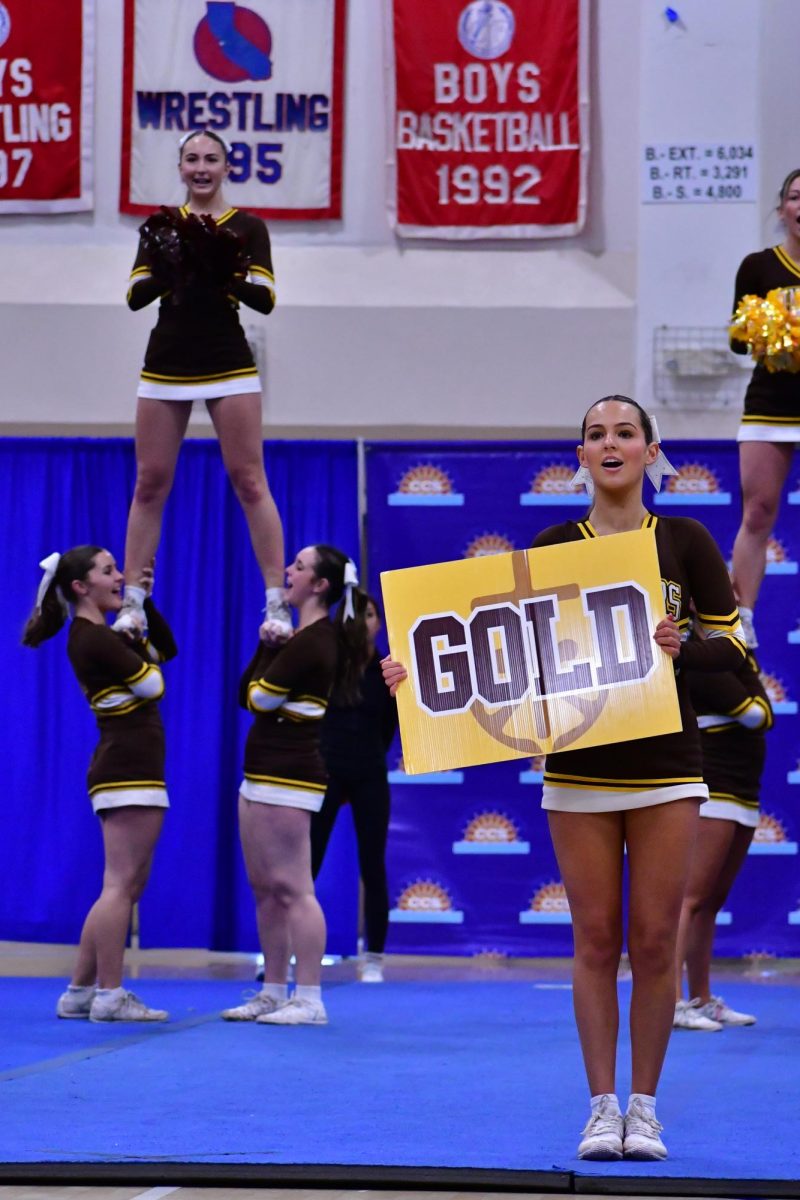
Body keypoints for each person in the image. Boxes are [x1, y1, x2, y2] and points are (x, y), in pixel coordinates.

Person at [382, 396, 745, 1162]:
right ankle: (599, 1106)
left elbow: (735, 658)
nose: (609, 443)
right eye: (594, 434)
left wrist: (685, 647)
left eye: (624, 433)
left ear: (651, 451)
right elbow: (503, 664)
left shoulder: (686, 540)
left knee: (654, 941)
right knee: (594, 939)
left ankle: (644, 1109)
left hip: (669, 768)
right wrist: (414, 677)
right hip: (578, 770)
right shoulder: (552, 545)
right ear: (579, 456)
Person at [120, 128, 288, 641]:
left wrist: (220, 266)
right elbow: (133, 295)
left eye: (211, 158)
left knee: (249, 480)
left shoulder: (248, 228)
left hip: (227, 358)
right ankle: (132, 603)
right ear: (180, 168)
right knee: (150, 483)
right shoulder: (161, 227)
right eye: (191, 158)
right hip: (167, 358)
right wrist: (176, 265)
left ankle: (277, 604)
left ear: (226, 168)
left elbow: (265, 299)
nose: (200, 166)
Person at [22, 547, 176, 1022]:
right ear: (79, 587)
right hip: (127, 766)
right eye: (109, 572)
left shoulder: (102, 635)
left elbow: (165, 650)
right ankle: (110, 994)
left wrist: (141, 604)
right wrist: (128, 634)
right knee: (120, 885)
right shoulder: (90, 637)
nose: (120, 577)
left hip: (130, 764)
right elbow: (154, 685)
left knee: (123, 886)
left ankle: (79, 991)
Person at [222, 545, 355, 1026]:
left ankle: (311, 997)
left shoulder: (316, 640)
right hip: (260, 774)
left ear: (320, 585)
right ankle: (273, 990)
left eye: (299, 566)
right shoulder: (299, 637)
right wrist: (268, 643)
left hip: (290, 776)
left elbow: (259, 697)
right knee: (265, 890)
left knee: (296, 888)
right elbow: (246, 694)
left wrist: (273, 648)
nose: (288, 572)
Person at [674, 640, 773, 1032]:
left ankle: (701, 998)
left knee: (711, 901)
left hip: (744, 784)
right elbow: (757, 714)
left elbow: (761, 711)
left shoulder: (735, 650)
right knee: (689, 898)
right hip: (713, 783)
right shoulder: (695, 653)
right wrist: (753, 700)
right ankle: (671, 1001)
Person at [311, 591, 398, 984]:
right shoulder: (327, 664)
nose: (364, 621)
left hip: (368, 771)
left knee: (373, 864)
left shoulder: (387, 670)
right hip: (326, 770)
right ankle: (290, 952)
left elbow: (388, 731)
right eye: (356, 614)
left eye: (371, 614)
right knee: (305, 863)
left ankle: (375, 957)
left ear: (379, 622)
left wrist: (367, 761)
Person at [730, 168, 800, 647]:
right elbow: (737, 341)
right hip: (771, 406)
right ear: (782, 209)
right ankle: (741, 619)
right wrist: (768, 328)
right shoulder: (758, 266)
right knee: (758, 512)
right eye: (796, 197)